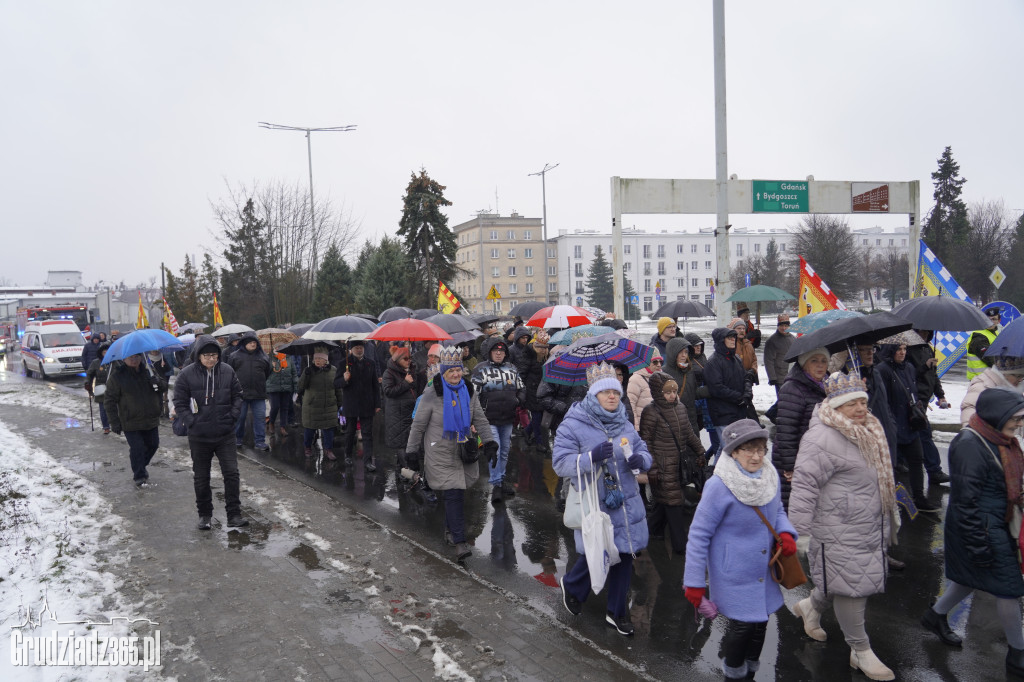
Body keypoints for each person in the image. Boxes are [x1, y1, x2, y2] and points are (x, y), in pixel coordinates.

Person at [789, 372, 899, 681]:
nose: (861, 408)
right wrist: (801, 532)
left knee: (844, 580)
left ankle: (811, 607)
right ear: (836, 407)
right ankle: (860, 650)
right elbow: (804, 486)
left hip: (867, 524)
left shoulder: (870, 430)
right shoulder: (821, 438)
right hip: (836, 527)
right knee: (853, 589)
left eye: (863, 401)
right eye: (852, 403)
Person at [921, 387, 1024, 677]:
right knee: (1008, 589)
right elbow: (966, 502)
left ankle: (935, 615)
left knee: (969, 579)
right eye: (1015, 418)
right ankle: (1018, 655)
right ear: (997, 415)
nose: (1018, 423)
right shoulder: (970, 443)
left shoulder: (1000, 440)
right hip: (979, 527)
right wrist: (979, 545)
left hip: (994, 522)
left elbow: (1000, 483)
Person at [683, 419, 796, 680]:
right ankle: (733, 675)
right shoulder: (719, 486)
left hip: (764, 569)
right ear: (734, 451)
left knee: (761, 625)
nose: (757, 456)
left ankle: (750, 673)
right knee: (743, 626)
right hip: (734, 571)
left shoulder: (769, 476)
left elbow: (777, 510)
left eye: (761, 449)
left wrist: (787, 533)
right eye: (749, 450)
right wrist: (694, 582)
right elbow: (699, 536)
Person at [554, 362, 652, 637]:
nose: (612, 396)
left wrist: (639, 459)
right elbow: (560, 464)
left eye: (616, 392)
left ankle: (617, 612)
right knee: (598, 553)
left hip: (626, 502)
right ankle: (573, 586)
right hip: (595, 502)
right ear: (593, 394)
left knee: (624, 554)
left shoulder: (623, 420)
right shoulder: (573, 424)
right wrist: (589, 458)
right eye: (605, 392)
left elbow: (643, 449)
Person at [405, 347, 497, 560]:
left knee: (456, 492)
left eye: (458, 370)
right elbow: (418, 426)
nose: (456, 375)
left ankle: (450, 530)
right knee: (454, 493)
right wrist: (411, 452)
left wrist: (490, 441)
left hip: (464, 450)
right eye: (451, 372)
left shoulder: (469, 390)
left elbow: (480, 419)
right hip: (440, 452)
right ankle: (460, 541)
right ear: (443, 372)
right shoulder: (431, 394)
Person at [172, 335, 247, 530]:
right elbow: (179, 401)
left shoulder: (227, 371)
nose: (211, 359)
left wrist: (233, 416)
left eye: (214, 355)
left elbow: (238, 395)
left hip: (225, 434)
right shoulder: (187, 374)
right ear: (198, 356)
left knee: (231, 474)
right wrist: (191, 421)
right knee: (201, 476)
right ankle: (204, 515)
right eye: (206, 356)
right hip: (199, 436)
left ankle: (234, 514)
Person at [640, 372, 704, 551]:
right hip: (662, 465)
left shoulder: (680, 408)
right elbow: (646, 442)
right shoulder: (651, 412)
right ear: (658, 392)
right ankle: (681, 546)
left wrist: (700, 451)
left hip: (679, 464)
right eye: (667, 392)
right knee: (674, 502)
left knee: (665, 501)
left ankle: (653, 530)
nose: (672, 395)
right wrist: (651, 467)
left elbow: (689, 433)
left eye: (674, 392)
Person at [876, 343, 940, 513]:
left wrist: (917, 405)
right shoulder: (882, 370)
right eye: (899, 349)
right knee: (891, 466)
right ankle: (890, 501)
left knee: (917, 460)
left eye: (904, 349)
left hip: (910, 423)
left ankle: (919, 497)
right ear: (891, 350)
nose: (902, 352)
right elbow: (883, 400)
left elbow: (913, 390)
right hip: (893, 426)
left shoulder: (909, 367)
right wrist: (889, 423)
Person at [772, 347, 829, 509]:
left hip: (815, 458)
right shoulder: (793, 388)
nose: (820, 365)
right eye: (814, 360)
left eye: (824, 361)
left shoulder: (827, 385)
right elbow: (786, 432)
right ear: (804, 364)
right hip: (794, 459)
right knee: (794, 505)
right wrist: (790, 466)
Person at [471, 337, 525, 503]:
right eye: (496, 351)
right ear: (490, 353)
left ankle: (500, 481)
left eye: (502, 351)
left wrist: (518, 400)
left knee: (504, 452)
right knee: (495, 450)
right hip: (488, 420)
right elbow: (473, 396)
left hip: (508, 419)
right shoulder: (480, 369)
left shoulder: (512, 368)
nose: (499, 354)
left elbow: (521, 388)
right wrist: (473, 421)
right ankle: (496, 486)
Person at [104, 353, 167, 487]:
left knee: (153, 445)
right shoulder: (117, 377)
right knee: (137, 447)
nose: (134, 360)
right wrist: (114, 421)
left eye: (137, 357)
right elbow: (109, 401)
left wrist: (158, 383)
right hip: (130, 420)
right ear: (124, 359)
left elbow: (163, 387)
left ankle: (140, 465)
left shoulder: (148, 372)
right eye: (131, 357)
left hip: (150, 418)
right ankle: (139, 475)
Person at [907, 331, 952, 487]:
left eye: (928, 332)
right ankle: (934, 471)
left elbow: (934, 375)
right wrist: (925, 366)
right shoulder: (908, 349)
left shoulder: (927, 348)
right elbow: (909, 374)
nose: (925, 335)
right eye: (922, 332)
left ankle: (923, 470)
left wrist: (941, 396)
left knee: (918, 436)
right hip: (915, 399)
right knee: (924, 435)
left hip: (925, 399)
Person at [703, 327, 748, 462]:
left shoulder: (736, 359)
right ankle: (720, 479)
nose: (733, 339)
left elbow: (745, 377)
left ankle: (714, 474)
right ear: (721, 341)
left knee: (726, 449)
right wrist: (738, 397)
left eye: (734, 337)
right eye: (729, 337)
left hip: (737, 411)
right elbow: (716, 388)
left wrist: (747, 393)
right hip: (722, 413)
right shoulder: (713, 362)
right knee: (729, 450)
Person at [228, 332, 272, 451]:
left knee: (260, 417)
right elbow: (230, 373)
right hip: (240, 394)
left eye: (255, 342)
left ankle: (260, 441)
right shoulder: (234, 356)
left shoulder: (263, 356)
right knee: (240, 417)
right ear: (245, 343)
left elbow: (268, 372)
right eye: (251, 342)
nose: (253, 344)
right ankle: (237, 439)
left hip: (258, 393)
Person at [298, 349, 344, 459]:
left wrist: (340, 403)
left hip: (329, 405)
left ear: (326, 360)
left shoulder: (333, 370)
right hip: (312, 406)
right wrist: (306, 374)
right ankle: (307, 447)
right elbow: (301, 386)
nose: (318, 360)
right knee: (310, 429)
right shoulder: (308, 370)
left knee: (329, 429)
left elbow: (337, 388)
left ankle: (328, 449)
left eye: (320, 358)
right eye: (316, 358)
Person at [382, 345, 426, 453]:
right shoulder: (388, 373)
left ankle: (401, 467)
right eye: (405, 359)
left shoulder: (411, 371)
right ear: (398, 360)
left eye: (409, 358)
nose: (408, 361)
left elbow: (417, 388)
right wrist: (405, 383)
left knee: (409, 441)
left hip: (410, 411)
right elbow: (388, 391)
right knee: (401, 443)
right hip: (398, 413)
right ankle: (404, 467)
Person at [961, 355, 1024, 426]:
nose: (1020, 380)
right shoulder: (983, 386)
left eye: (1022, 376)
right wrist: (976, 434)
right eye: (1018, 376)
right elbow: (969, 409)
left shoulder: (1013, 389)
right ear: (1004, 374)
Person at [686, 332, 721, 460]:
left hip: (706, 401)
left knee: (718, 438)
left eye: (700, 345)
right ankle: (701, 459)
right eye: (695, 346)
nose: (698, 348)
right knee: (696, 433)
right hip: (696, 400)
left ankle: (704, 458)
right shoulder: (687, 360)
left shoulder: (703, 358)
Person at [515, 331, 550, 451]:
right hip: (531, 390)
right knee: (537, 417)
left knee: (539, 416)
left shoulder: (546, 356)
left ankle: (527, 431)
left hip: (543, 390)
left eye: (545, 348)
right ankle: (539, 442)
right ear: (536, 346)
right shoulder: (528, 355)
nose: (543, 350)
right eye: (541, 347)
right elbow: (522, 374)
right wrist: (521, 391)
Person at [266, 344, 297, 438]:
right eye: (277, 346)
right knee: (275, 407)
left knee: (285, 407)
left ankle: (283, 427)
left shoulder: (288, 358)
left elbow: (294, 372)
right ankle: (271, 422)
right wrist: (272, 366)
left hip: (286, 387)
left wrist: (296, 386)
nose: (279, 347)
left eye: (281, 345)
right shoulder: (269, 358)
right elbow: (265, 372)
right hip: (273, 387)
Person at [627, 349, 662, 430]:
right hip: (644, 428)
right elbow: (631, 405)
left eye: (661, 362)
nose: (659, 365)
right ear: (645, 363)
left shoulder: (662, 378)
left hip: (660, 427)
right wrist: (636, 429)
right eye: (655, 362)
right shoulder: (635, 379)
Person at [966, 307, 1002, 380]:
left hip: (989, 379)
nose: (991, 322)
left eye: (994, 319)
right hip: (979, 380)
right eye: (988, 319)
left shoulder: (995, 333)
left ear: (999, 321)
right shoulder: (979, 336)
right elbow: (989, 358)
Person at [763, 314, 794, 396]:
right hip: (780, 377)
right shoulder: (772, 341)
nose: (784, 328)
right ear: (778, 326)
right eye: (781, 326)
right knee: (782, 400)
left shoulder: (793, 339)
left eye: (786, 326)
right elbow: (768, 360)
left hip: (792, 376)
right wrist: (772, 377)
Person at [85, 342, 112, 434]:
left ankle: (116, 424)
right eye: (104, 352)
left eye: (108, 352)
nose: (106, 354)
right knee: (103, 408)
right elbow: (90, 374)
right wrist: (88, 383)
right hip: (100, 387)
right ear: (101, 353)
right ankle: (106, 426)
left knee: (115, 407)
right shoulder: (96, 362)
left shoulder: (114, 362)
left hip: (113, 387)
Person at [147, 350, 173, 418]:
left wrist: (164, 365)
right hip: (151, 380)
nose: (155, 352)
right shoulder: (147, 358)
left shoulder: (161, 357)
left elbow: (168, 368)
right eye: (154, 351)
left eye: (156, 351)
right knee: (152, 396)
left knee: (160, 396)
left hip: (160, 380)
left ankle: (160, 411)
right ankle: (153, 410)